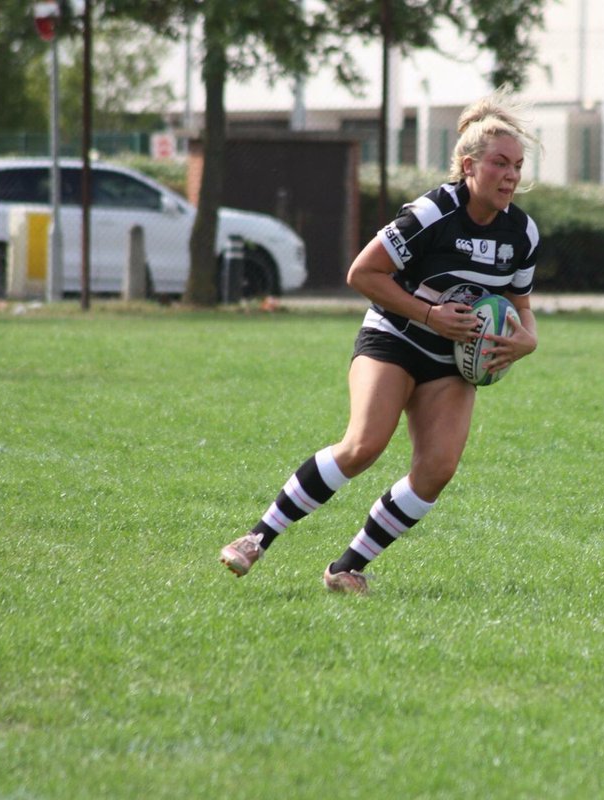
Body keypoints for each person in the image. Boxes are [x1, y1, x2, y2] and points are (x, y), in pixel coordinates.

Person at [219, 88, 541, 593]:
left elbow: (521, 308)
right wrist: (432, 314)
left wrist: (528, 342)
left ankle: (348, 567)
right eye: (500, 163)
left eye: (518, 166)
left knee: (437, 468)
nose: (511, 176)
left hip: (451, 360)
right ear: (468, 165)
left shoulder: (521, 233)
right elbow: (362, 274)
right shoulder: (433, 212)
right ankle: (256, 538)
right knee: (363, 445)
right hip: (395, 337)